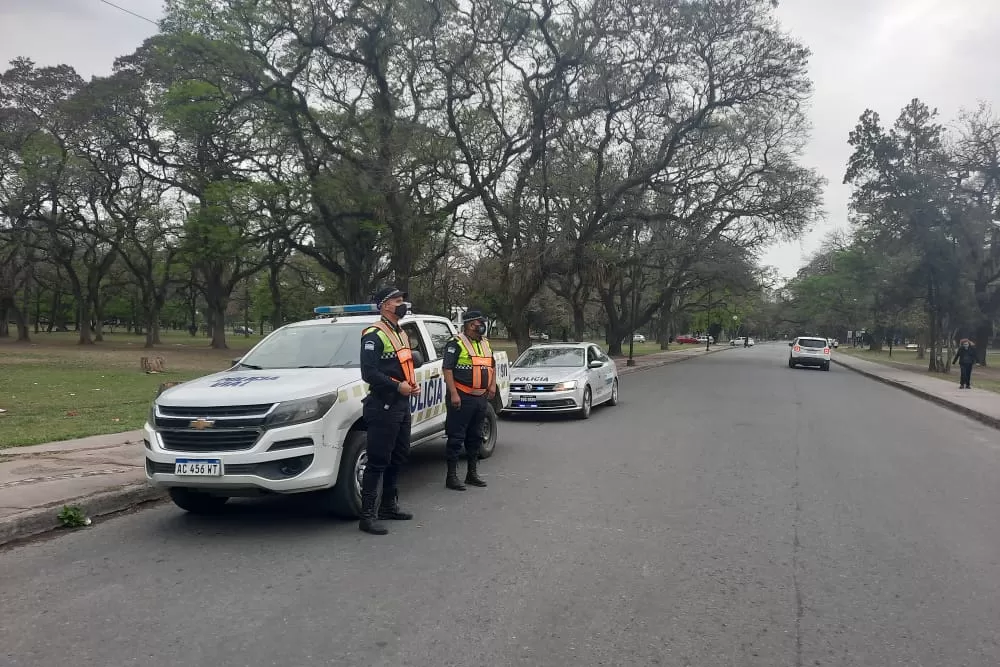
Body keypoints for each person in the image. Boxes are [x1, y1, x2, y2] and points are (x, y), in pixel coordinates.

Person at [358, 286, 421, 535]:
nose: (402, 304)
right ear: (385, 305)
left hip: (400, 404)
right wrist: (398, 386)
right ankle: (367, 516)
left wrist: (409, 385)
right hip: (383, 405)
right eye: (397, 300)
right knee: (378, 460)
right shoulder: (374, 334)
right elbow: (369, 373)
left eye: (402, 300)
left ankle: (388, 506)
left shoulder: (400, 332)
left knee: (398, 456)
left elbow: (401, 365)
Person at [441, 310, 496, 491]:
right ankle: (451, 476)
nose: (483, 325)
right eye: (480, 322)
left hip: (480, 397)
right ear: (471, 324)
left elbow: (491, 366)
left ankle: (472, 474)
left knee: (476, 436)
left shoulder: (485, 343)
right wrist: (454, 393)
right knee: (456, 437)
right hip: (462, 396)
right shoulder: (456, 343)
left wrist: (492, 385)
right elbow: (447, 369)